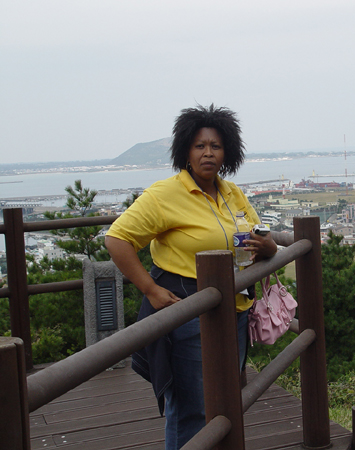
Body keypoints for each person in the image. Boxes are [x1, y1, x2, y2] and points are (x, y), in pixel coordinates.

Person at [105, 104, 277, 450]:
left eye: (216, 146)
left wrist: (269, 246)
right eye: (200, 146)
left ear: (227, 152)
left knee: (225, 398)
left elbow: (260, 236)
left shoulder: (231, 193)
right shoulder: (165, 194)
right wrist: (150, 289)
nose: (208, 153)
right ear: (186, 151)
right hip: (188, 312)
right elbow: (117, 238)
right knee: (191, 409)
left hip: (234, 310)